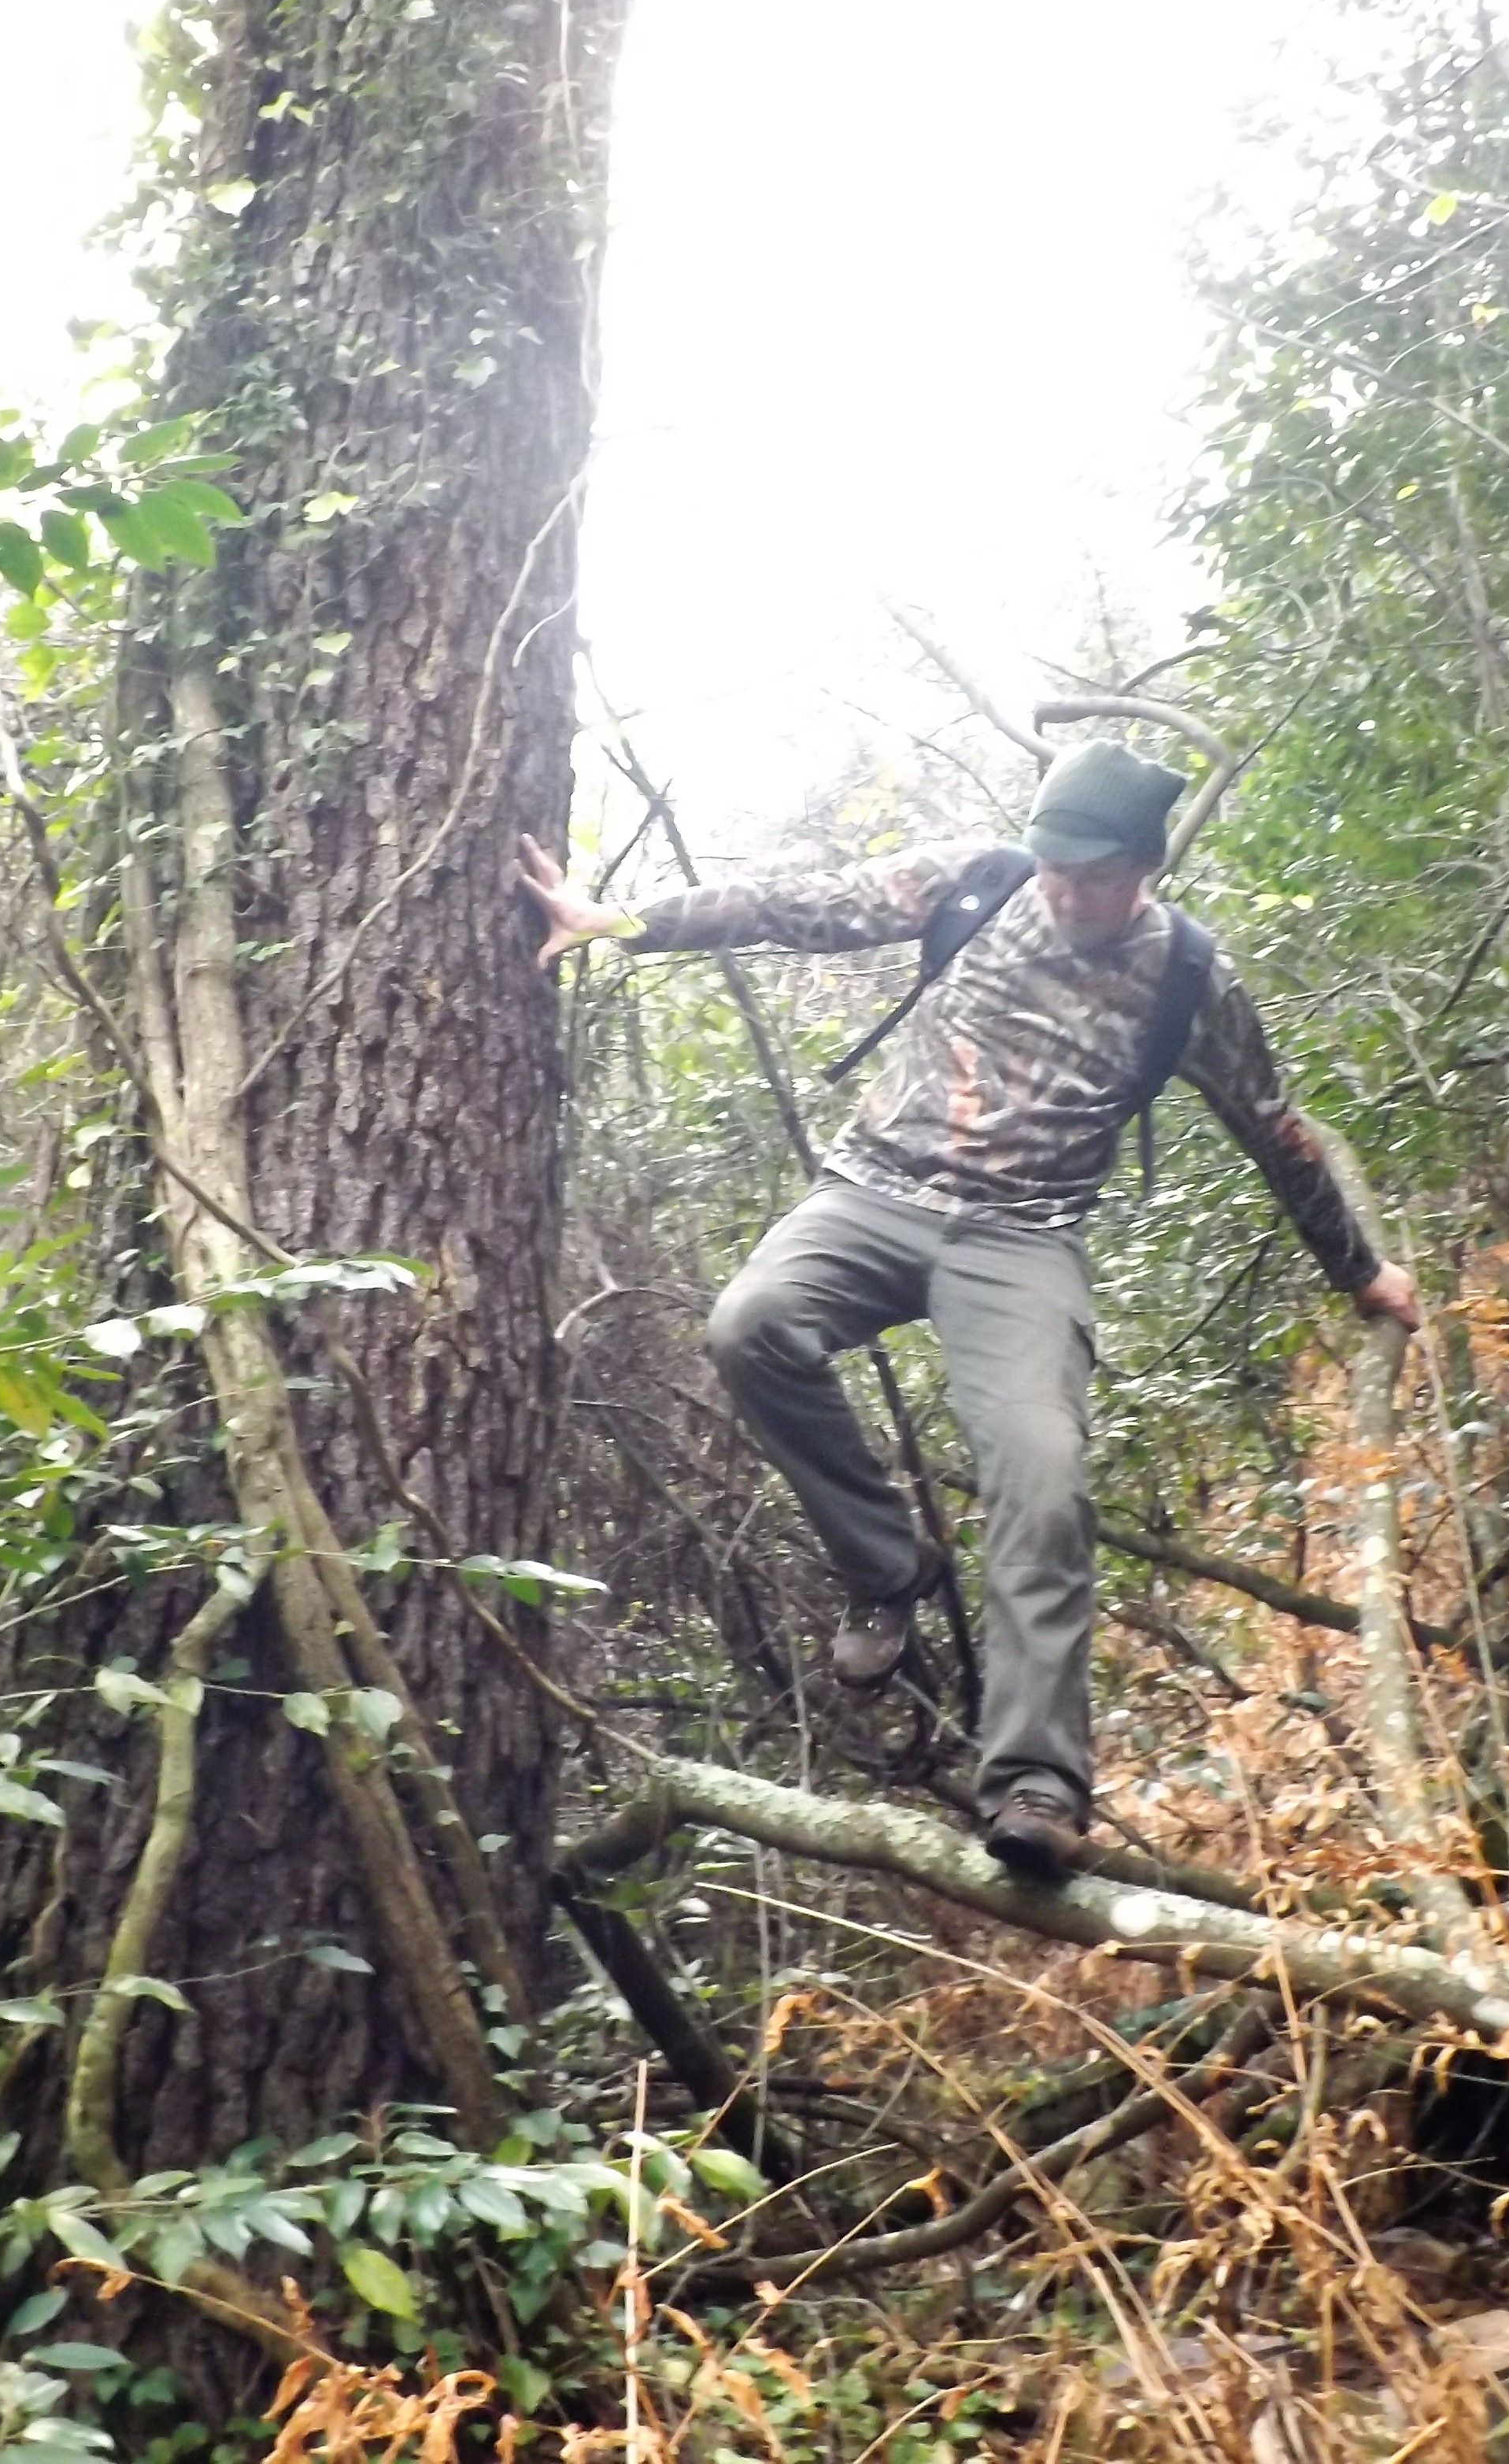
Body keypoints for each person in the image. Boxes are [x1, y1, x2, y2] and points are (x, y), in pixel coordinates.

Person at [519, 739, 1418, 1877]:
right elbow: (799, 904)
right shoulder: (980, 879)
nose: (1066, 889)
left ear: (1143, 864)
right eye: (1056, 865)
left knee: (1043, 1480)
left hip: (1022, 1240)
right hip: (872, 1195)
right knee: (750, 1326)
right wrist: (623, 920)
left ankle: (1038, 1786)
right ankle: (886, 1567)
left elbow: (1274, 1129)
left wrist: (1359, 1272)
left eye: (1092, 873)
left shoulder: (1190, 974)